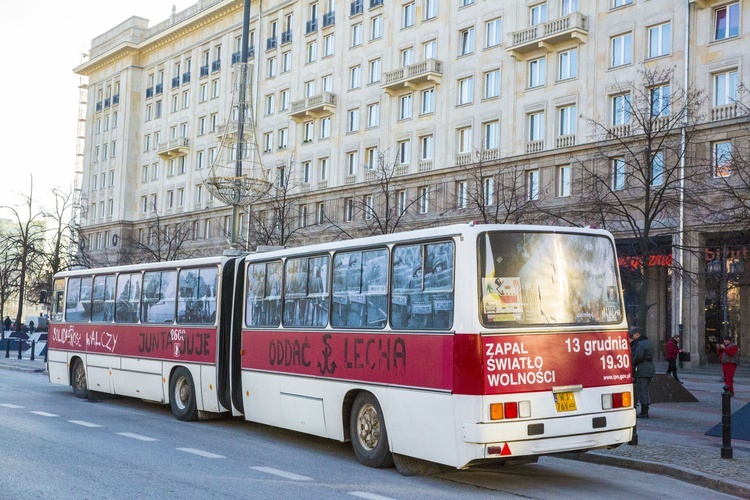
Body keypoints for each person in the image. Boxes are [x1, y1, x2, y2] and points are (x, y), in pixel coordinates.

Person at [630, 327, 655, 418]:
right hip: (650, 368)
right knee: (646, 389)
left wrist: (633, 363)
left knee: (641, 390)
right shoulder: (649, 342)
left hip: (642, 369)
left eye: (632, 335)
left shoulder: (640, 343)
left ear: (637, 334)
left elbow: (638, 356)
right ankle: (646, 408)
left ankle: (644, 412)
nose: (632, 337)